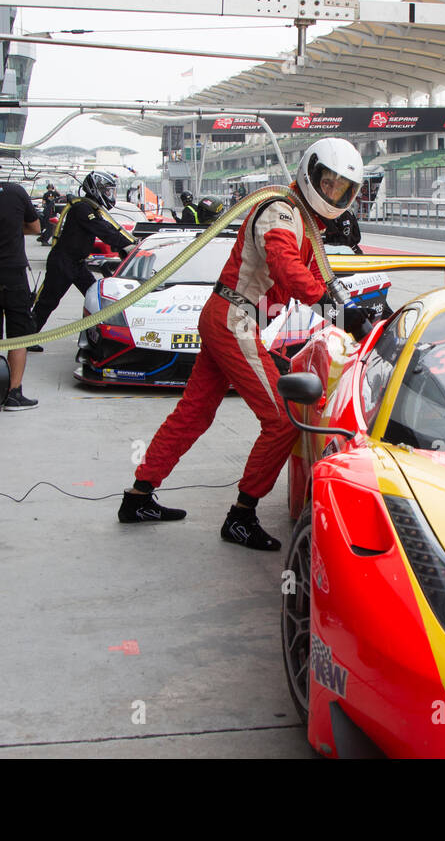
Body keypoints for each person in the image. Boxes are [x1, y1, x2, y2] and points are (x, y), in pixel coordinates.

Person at [119, 137, 368, 551]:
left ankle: (138, 496)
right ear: (310, 174)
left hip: (229, 316)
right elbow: (286, 268)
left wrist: (347, 311)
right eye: (328, 184)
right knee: (282, 421)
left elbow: (312, 279)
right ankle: (241, 515)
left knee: (194, 412)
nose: (332, 195)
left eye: (341, 189)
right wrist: (337, 309)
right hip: (235, 319)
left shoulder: (300, 218)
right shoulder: (280, 210)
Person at [0, 145, 41, 410]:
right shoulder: (15, 192)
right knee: (18, 337)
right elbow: (35, 227)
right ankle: (14, 393)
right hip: (14, 275)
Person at [31, 170, 136, 331]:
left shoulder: (91, 208)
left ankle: (102, 333)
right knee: (48, 302)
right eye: (107, 190)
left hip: (77, 264)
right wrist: (128, 246)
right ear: (96, 189)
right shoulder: (82, 208)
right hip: (63, 262)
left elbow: (109, 228)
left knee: (95, 297)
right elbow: (104, 230)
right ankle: (26, 338)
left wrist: (131, 242)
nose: (109, 194)